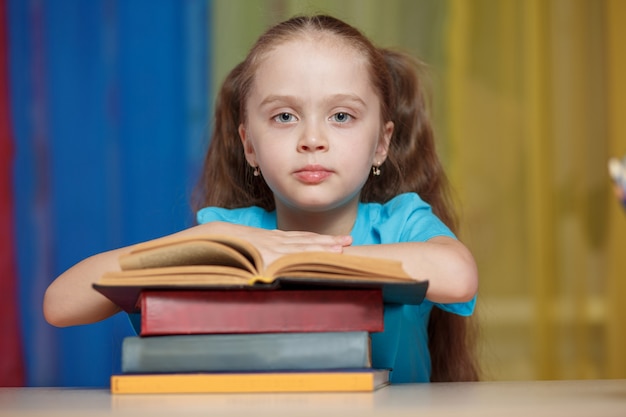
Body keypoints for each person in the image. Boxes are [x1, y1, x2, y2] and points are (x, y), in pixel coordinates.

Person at [44, 14, 479, 383]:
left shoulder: (401, 224)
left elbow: (457, 275)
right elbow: (60, 304)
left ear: (382, 143)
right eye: (284, 116)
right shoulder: (231, 235)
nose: (312, 139)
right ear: (249, 144)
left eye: (342, 116)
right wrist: (201, 243)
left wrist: (299, 262)